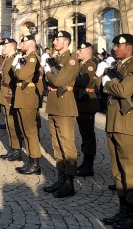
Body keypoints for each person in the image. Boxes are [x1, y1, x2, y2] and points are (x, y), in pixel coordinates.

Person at [101, 34, 133, 228]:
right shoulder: (118, 66)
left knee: (130, 170)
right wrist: (107, 83)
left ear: (129, 47)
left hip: (128, 122)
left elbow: (124, 91)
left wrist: (106, 83)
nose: (114, 48)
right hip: (114, 120)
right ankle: (123, 211)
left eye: (118, 45)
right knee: (118, 170)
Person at [42, 30, 79, 198]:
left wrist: (47, 71)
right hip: (53, 103)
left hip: (64, 105)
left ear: (66, 42)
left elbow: (57, 81)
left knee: (66, 144)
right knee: (56, 144)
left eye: (57, 39)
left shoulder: (71, 60)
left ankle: (69, 183)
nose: (54, 42)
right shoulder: (56, 60)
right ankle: (60, 178)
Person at [14, 35, 44, 175]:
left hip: (28, 98)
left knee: (30, 132)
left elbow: (21, 75)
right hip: (23, 96)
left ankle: (35, 163)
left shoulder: (32, 58)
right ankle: (32, 161)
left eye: (24, 42)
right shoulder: (27, 57)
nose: (21, 43)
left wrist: (16, 67)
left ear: (31, 44)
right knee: (25, 131)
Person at [74, 42, 99, 177]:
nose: (78, 52)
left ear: (88, 52)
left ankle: (89, 165)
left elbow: (84, 82)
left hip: (87, 103)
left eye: (80, 50)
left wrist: (71, 75)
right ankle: (85, 161)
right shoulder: (82, 64)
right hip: (81, 102)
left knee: (88, 135)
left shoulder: (90, 65)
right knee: (84, 134)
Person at [0, 38, 24, 162]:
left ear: (12, 47)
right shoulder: (7, 59)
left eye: (5, 46)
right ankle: (13, 148)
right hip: (4, 91)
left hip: (10, 92)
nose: (3, 48)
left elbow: (15, 77)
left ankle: (17, 150)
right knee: (8, 122)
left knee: (13, 123)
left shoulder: (15, 59)